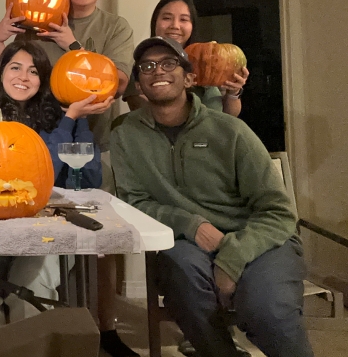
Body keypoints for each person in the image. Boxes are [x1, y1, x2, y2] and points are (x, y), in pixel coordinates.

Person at [111, 37, 312, 357]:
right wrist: (191, 224)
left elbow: (277, 211)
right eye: (147, 66)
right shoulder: (124, 134)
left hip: (260, 237)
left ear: (190, 78)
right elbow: (134, 201)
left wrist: (232, 259)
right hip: (189, 242)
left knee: (268, 312)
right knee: (179, 273)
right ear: (139, 83)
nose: (157, 70)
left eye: (168, 63)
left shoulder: (231, 131)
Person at [0, 0, 135, 355]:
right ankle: (51, 321)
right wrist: (0, 29)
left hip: (93, 141)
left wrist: (74, 44)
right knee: (42, 234)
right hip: (39, 140)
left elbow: (121, 84)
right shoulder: (35, 24)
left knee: (99, 241)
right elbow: (4, 67)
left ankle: (105, 328)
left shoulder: (115, 26)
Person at [0, 41, 102, 333]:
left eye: (33, 71)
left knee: (30, 287)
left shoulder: (65, 116)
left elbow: (87, 178)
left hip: (46, 228)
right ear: (0, 73)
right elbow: (34, 177)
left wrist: (72, 120)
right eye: (15, 67)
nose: (23, 77)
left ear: (43, 80)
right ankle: (1, 349)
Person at [123, 0, 249, 116]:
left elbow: (228, 117)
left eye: (183, 19)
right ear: (155, 22)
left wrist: (233, 91)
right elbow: (140, 112)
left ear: (192, 26)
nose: (175, 26)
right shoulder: (144, 65)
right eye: (167, 18)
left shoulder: (209, 61)